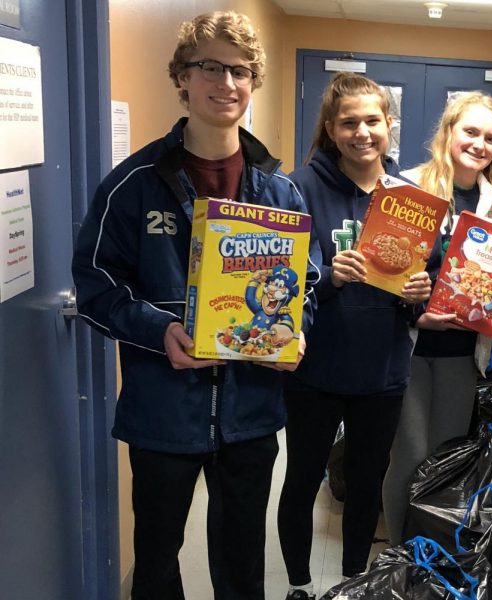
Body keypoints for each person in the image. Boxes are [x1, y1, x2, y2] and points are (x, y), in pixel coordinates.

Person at [71, 11, 320, 600]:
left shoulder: (278, 193)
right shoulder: (132, 184)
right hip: (163, 412)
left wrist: (295, 334)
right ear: (182, 77)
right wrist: (160, 331)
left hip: (251, 412)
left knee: (241, 565)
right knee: (156, 563)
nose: (227, 83)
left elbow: (303, 287)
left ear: (253, 81)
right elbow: (95, 284)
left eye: (240, 70)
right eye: (210, 66)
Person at [277, 72, 438, 600]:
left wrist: (419, 290)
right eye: (349, 122)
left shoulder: (411, 199)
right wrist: (327, 277)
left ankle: (354, 583)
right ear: (331, 127)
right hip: (314, 370)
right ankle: (299, 584)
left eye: (373, 121)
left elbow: (431, 287)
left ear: (390, 126)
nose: (362, 132)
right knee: (301, 480)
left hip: (382, 369)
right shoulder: (298, 188)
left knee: (365, 484)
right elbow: (277, 281)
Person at [382, 91, 492, 545]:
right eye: (470, 132)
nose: (479, 144)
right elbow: (382, 274)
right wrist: (418, 315)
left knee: (446, 457)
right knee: (407, 457)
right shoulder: (405, 187)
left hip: (462, 352)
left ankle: (430, 553)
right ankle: (398, 556)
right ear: (449, 132)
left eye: (491, 138)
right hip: (409, 347)